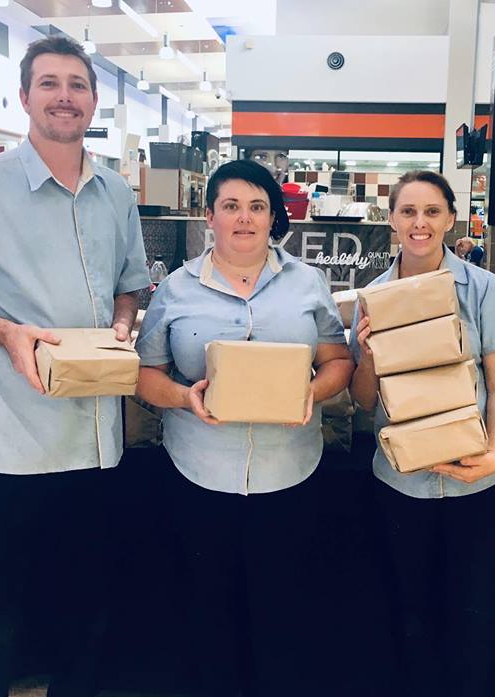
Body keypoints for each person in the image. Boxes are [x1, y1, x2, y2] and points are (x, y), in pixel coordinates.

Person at [0, 35, 150, 697]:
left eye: (76, 84)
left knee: (86, 606)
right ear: (24, 98)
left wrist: (123, 325)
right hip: (11, 442)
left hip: (96, 440)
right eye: (49, 83)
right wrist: (7, 332)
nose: (64, 96)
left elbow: (131, 284)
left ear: (94, 100)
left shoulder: (115, 194)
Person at [134, 159, 354, 697]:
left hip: (290, 473)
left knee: (283, 615)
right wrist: (186, 398)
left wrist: (311, 392)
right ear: (209, 215)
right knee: (207, 613)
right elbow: (145, 377)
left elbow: (338, 362)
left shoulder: (308, 283)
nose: (244, 219)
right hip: (200, 473)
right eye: (231, 206)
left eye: (258, 207)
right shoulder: (177, 289)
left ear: (274, 217)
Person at [349, 170, 495, 697]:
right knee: (408, 606)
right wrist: (370, 356)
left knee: (474, 609)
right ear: (392, 220)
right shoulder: (372, 297)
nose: (419, 223)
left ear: (450, 218)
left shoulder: (483, 287)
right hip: (403, 481)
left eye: (431, 212)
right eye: (407, 212)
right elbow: (361, 399)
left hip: (480, 479)